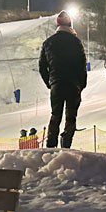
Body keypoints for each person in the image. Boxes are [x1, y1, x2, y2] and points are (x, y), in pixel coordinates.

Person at [39, 10, 88, 148]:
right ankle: (66, 145)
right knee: (71, 117)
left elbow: (42, 67)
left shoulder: (48, 43)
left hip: (56, 85)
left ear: (58, 25)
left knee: (55, 115)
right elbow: (82, 66)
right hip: (73, 85)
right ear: (70, 24)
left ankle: (51, 145)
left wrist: (50, 83)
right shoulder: (76, 42)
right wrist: (81, 84)